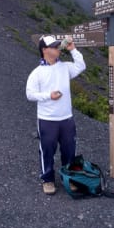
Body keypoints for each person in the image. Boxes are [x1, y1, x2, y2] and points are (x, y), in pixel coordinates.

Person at [26, 35, 86, 195]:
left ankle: (70, 178)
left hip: (66, 118)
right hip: (47, 120)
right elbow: (29, 94)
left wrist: (73, 49)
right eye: (53, 46)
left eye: (57, 46)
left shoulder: (65, 67)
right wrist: (48, 95)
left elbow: (81, 66)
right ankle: (48, 180)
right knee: (47, 150)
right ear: (44, 50)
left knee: (69, 150)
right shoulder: (37, 73)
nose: (57, 48)